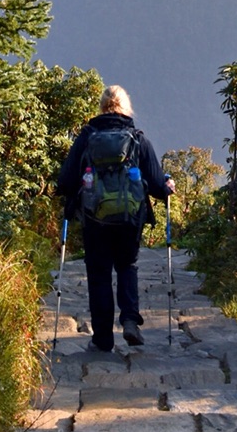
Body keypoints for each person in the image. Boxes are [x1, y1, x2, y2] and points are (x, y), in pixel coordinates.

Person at [56, 84, 170, 354]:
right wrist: (167, 187)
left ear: (101, 105)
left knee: (99, 275)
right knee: (127, 266)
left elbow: (65, 181)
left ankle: (102, 339)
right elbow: (156, 184)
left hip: (95, 219)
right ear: (125, 106)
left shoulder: (87, 137)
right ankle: (130, 320)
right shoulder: (137, 138)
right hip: (130, 219)